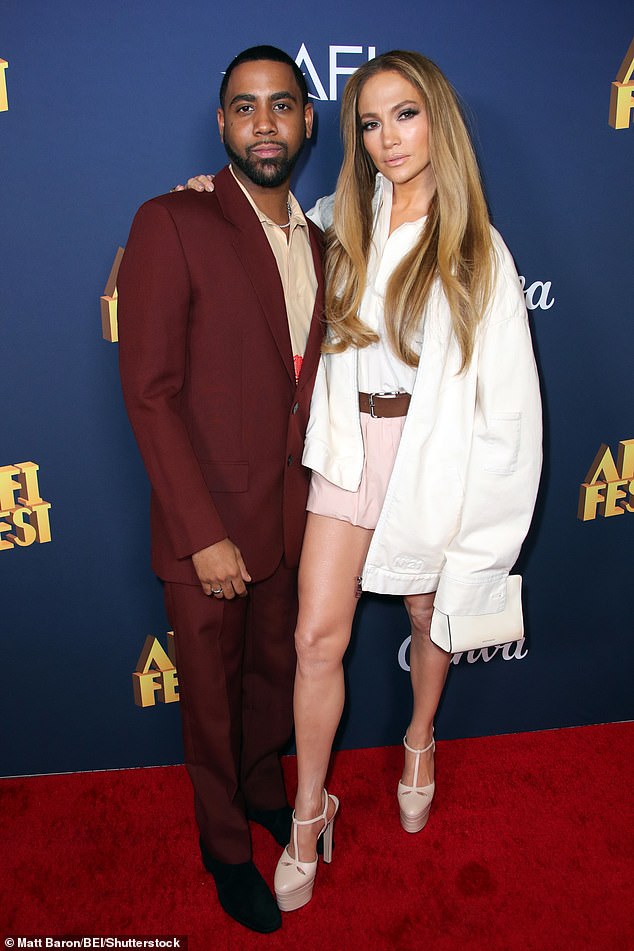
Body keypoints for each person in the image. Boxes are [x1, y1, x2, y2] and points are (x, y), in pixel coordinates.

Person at [180, 49, 542, 914]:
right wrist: (211, 201)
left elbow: (512, 408)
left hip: (434, 456)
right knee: (316, 639)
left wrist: (486, 534)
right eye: (370, 123)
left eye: (405, 114)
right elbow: (265, 238)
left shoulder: (477, 247)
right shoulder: (339, 218)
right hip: (346, 451)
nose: (388, 138)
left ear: (438, 119)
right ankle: (311, 808)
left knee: (428, 613)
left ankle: (419, 738)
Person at [117, 46, 325, 934]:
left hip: (291, 518)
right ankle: (223, 848)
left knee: (272, 681)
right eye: (247, 108)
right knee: (208, 695)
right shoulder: (171, 221)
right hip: (204, 527)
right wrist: (202, 531)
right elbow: (151, 391)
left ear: (307, 122)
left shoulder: (323, 241)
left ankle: (262, 794)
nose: (266, 123)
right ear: (223, 125)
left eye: (282, 106)